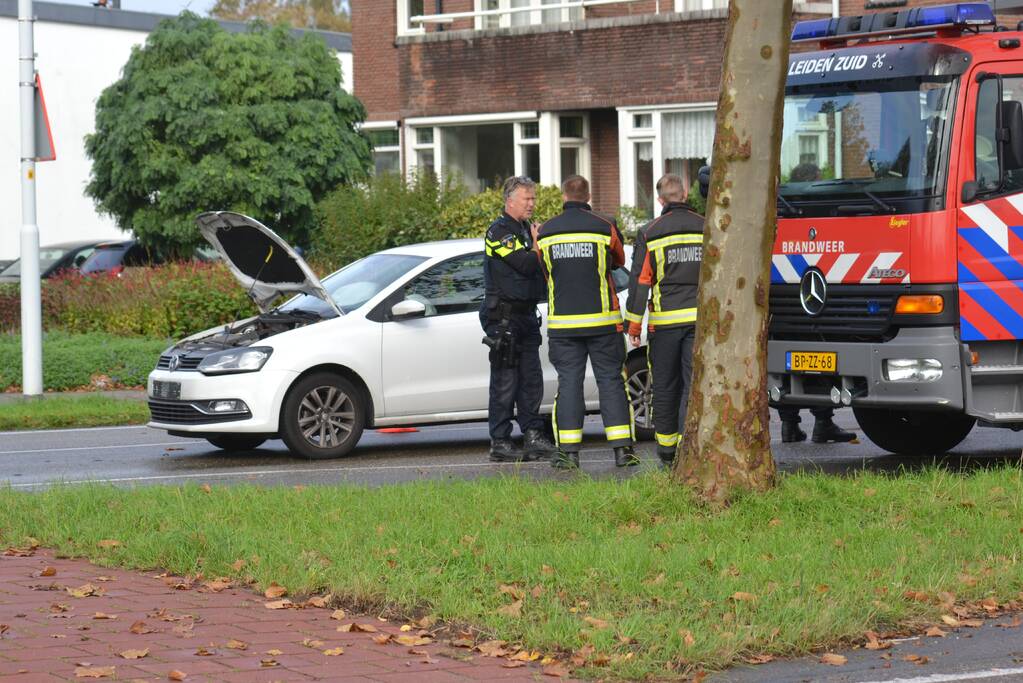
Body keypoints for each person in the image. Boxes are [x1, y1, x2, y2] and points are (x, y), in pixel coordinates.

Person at [536, 175, 638, 469]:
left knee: (569, 384)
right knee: (611, 381)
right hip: (604, 323)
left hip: (564, 325)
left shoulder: (545, 232)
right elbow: (619, 260)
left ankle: (568, 454)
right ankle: (622, 451)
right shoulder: (604, 227)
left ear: (563, 196)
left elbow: (545, 269)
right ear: (589, 195)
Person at [624, 173, 703, 467]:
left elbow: (640, 282)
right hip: (699, 322)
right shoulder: (706, 226)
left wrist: (634, 325)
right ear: (685, 193)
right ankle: (689, 447)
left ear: (660, 200)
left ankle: (667, 454)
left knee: (666, 387)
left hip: (664, 325)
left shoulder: (650, 232)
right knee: (693, 386)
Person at [480, 176, 558, 463]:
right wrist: (537, 243)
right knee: (505, 381)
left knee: (531, 380)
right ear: (510, 201)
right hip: (504, 318)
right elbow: (525, 264)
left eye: (533, 198)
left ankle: (533, 435)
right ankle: (500, 441)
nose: (532, 204)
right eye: (527, 199)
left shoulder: (526, 229)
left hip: (526, 315)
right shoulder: (498, 232)